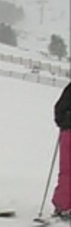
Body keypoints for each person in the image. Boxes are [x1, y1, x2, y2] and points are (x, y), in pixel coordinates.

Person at [53, 81, 71, 219]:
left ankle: (62, 205)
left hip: (68, 132)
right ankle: (63, 205)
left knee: (67, 171)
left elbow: (59, 108)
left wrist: (62, 122)